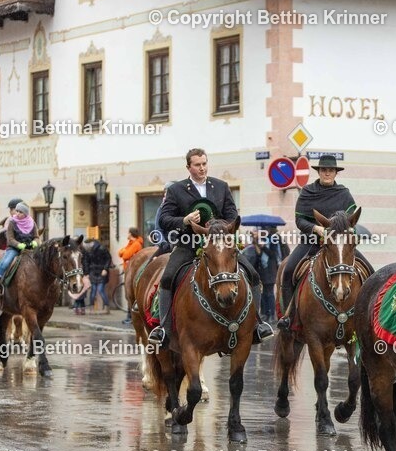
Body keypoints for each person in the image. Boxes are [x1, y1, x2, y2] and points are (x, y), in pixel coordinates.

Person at [148, 148, 273, 346]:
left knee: (253, 275)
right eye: (197, 165)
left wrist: (219, 226)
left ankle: (256, 324)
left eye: (204, 164)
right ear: (189, 167)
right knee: (168, 278)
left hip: (221, 245)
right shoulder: (176, 190)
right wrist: (185, 220)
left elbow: (232, 214)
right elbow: (164, 219)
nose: (202, 168)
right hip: (188, 244)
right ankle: (163, 328)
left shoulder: (221, 186)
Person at [277, 154, 359, 331]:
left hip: (340, 245)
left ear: (336, 173)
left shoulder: (344, 193)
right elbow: (300, 220)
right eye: (324, 170)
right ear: (319, 172)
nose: (327, 173)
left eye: (331, 170)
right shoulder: (308, 192)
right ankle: (288, 316)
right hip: (311, 242)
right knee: (289, 270)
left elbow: (352, 219)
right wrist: (317, 229)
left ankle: (366, 314)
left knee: (368, 270)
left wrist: (351, 230)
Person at [0, 202, 39, 295]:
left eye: (20, 212)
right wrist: (18, 245)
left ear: (25, 213)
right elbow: (10, 239)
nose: (17, 213)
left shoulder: (32, 223)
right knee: (5, 263)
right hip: (14, 249)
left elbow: (37, 237)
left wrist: (35, 242)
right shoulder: (12, 222)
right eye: (17, 211)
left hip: (29, 249)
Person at [249, 229, 280, 321]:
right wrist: (256, 244)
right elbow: (259, 255)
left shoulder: (273, 240)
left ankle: (272, 314)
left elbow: (273, 255)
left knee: (269, 293)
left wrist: (264, 247)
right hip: (261, 271)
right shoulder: (259, 241)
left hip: (270, 271)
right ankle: (265, 313)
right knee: (263, 294)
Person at [83, 238, 113, 314]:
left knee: (100, 289)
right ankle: (91, 308)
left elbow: (108, 259)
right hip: (92, 272)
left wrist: (105, 269)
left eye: (87, 245)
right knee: (93, 290)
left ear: (91, 243)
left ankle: (106, 307)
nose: (86, 247)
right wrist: (86, 273)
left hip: (101, 271)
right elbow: (86, 262)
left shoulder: (102, 248)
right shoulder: (88, 251)